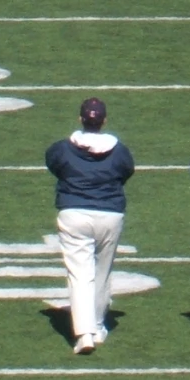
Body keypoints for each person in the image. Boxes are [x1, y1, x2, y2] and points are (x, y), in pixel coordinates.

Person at [45, 97, 135, 354]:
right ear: (103, 120)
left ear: (81, 119)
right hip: (109, 213)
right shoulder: (118, 150)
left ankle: (84, 333)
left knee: (80, 274)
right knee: (102, 272)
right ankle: (96, 325)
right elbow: (126, 171)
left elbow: (53, 163)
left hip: (74, 212)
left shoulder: (63, 148)